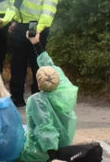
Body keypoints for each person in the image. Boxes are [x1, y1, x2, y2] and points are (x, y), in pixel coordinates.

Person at [8, 0, 59, 106]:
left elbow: (48, 10)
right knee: (17, 62)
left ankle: (39, 97)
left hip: (35, 26)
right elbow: (17, 2)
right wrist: (14, 20)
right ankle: (16, 97)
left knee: (36, 63)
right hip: (21, 24)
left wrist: (39, 28)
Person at [20, 31, 78, 162]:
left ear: (39, 85)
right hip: (64, 145)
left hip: (39, 154)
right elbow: (49, 65)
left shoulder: (37, 101)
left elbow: (45, 129)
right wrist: (36, 43)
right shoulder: (65, 88)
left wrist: (53, 158)